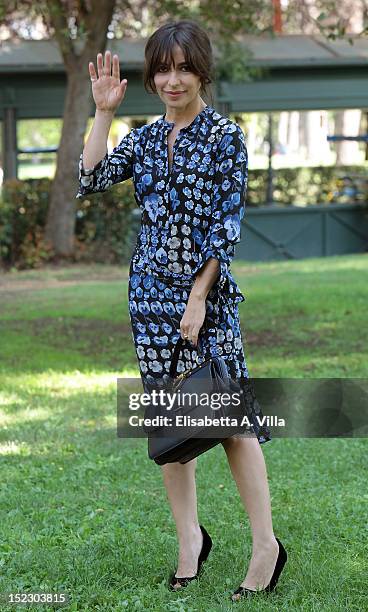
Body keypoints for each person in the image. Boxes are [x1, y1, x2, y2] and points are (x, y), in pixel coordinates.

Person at [76, 19, 287, 601]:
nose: (172, 80)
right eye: (162, 69)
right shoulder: (143, 138)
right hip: (148, 296)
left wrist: (197, 298)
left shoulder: (225, 136)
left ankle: (266, 546)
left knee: (232, 425)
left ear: (202, 71)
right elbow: (90, 178)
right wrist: (102, 113)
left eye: (183, 68)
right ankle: (189, 541)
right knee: (173, 425)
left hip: (206, 298)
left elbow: (226, 227)